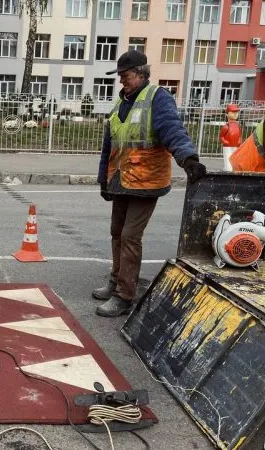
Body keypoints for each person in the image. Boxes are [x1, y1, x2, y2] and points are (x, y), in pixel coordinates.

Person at [93, 50, 207, 317]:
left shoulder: (158, 98)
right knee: (117, 232)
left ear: (142, 73)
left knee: (131, 236)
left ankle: (125, 296)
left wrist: (187, 158)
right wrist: (104, 179)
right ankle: (116, 280)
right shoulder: (121, 103)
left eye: (126, 75)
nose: (122, 80)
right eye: (120, 76)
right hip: (121, 179)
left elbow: (172, 129)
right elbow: (109, 146)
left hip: (146, 182)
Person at [219, 103, 242, 171]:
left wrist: (239, 141)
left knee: (234, 159)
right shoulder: (226, 127)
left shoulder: (238, 126)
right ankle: (227, 169)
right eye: (232, 112)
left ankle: (230, 170)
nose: (235, 114)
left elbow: (239, 135)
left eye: (236, 112)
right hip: (228, 146)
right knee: (228, 158)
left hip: (235, 145)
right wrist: (225, 142)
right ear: (227, 114)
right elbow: (221, 137)